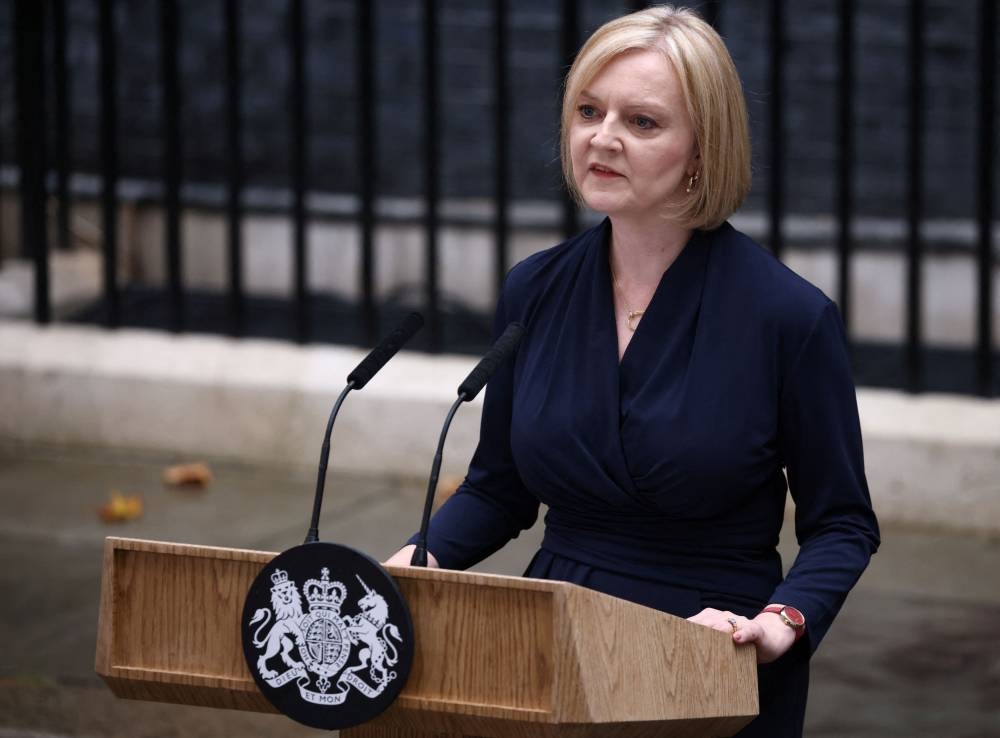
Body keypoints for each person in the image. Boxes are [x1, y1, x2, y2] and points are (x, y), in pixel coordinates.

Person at [387, 6, 880, 736]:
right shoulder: (535, 288)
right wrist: (404, 569)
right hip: (556, 649)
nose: (603, 137)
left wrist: (782, 620)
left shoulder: (788, 317)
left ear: (702, 150)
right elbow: (497, 488)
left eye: (642, 122)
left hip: (710, 654)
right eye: (589, 111)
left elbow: (842, 522)